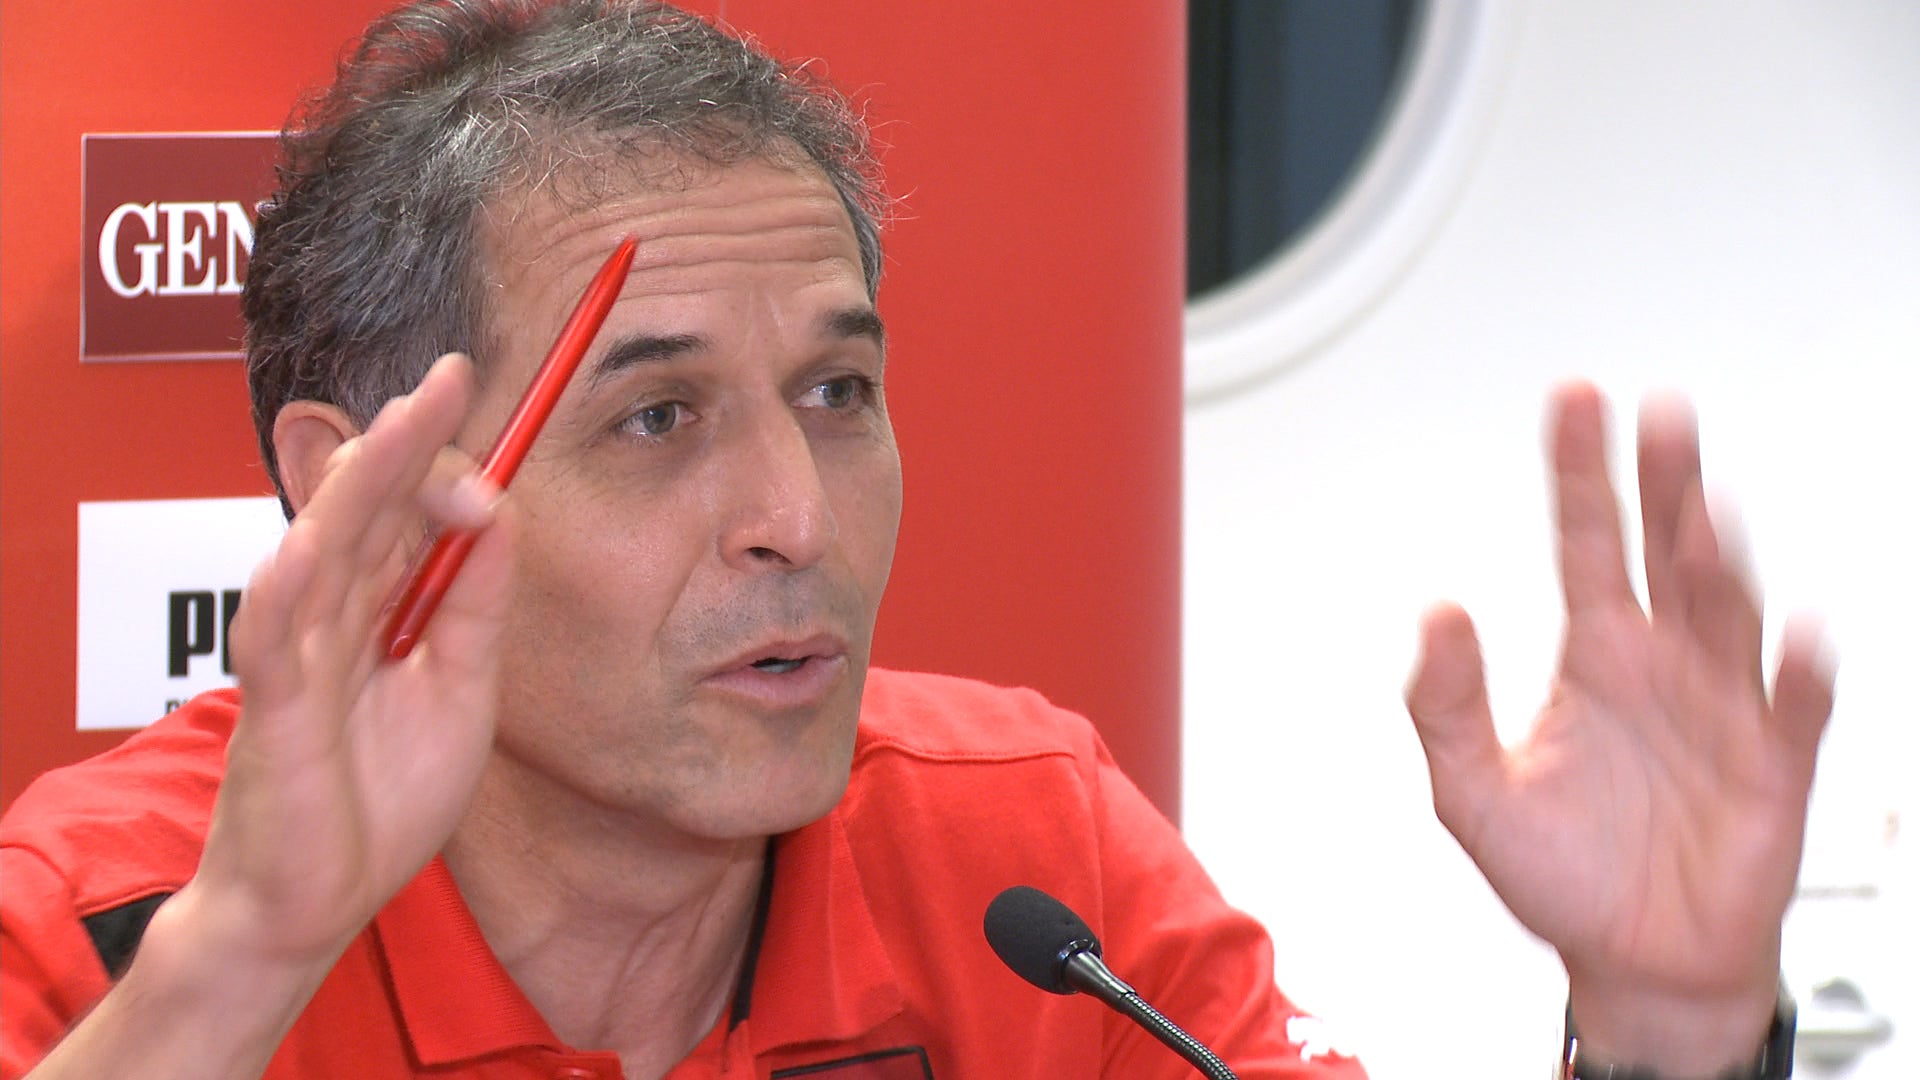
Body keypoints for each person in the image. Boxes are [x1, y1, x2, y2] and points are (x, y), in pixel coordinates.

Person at [0, 2, 1833, 1078]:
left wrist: (1671, 1029)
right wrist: (240, 966)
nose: (796, 520)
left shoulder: (1028, 858)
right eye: (657, 418)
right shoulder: (104, 920)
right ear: (363, 500)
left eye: (837, 392)